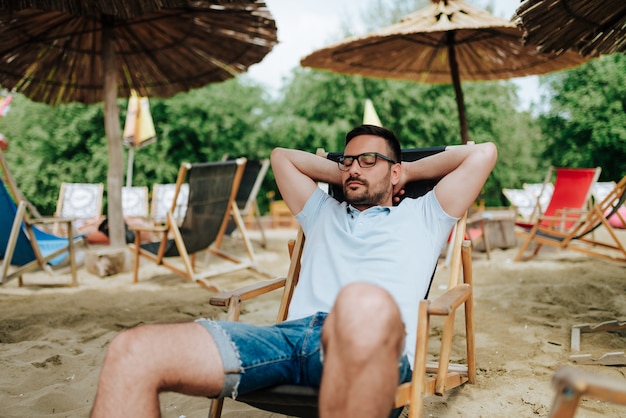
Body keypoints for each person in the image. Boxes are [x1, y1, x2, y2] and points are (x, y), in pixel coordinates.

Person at [90, 125, 497, 418]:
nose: (353, 168)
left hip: (370, 342)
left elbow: (483, 153)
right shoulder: (322, 212)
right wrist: (350, 170)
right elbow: (282, 157)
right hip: (290, 339)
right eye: (347, 160)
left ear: (395, 172)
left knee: (361, 300)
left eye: (368, 160)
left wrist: (408, 170)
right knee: (132, 351)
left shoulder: (426, 214)